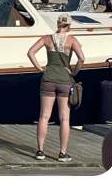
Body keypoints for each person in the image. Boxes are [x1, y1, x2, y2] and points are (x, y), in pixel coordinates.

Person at [28, 14, 85, 162]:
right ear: (69, 25)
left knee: (44, 116)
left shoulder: (47, 38)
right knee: (64, 118)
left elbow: (30, 52)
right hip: (64, 80)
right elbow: (82, 58)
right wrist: (74, 72)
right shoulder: (72, 40)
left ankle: (40, 151)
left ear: (58, 24)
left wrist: (40, 68)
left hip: (48, 78)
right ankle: (62, 153)